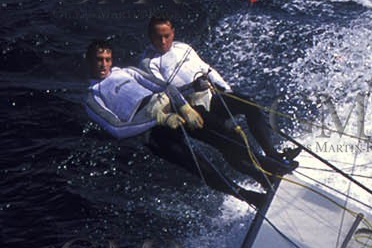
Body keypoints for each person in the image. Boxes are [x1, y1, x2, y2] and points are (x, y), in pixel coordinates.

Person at [82, 39, 266, 208]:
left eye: (107, 59)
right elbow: (117, 129)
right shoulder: (92, 96)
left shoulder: (128, 72)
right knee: (199, 166)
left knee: (225, 136)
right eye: (98, 60)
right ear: (89, 61)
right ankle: (249, 197)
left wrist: (185, 106)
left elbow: (165, 87)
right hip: (152, 133)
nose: (103, 64)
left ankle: (265, 173)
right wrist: (159, 118)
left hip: (171, 108)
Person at [139, 14, 297, 176]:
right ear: (150, 36)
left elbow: (207, 70)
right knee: (230, 140)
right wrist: (192, 87)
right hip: (190, 111)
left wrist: (227, 90)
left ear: (173, 32)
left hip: (210, 98)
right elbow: (166, 93)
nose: (163, 41)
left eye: (166, 36)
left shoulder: (183, 48)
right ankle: (266, 173)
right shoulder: (148, 63)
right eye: (158, 37)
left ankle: (273, 155)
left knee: (250, 105)